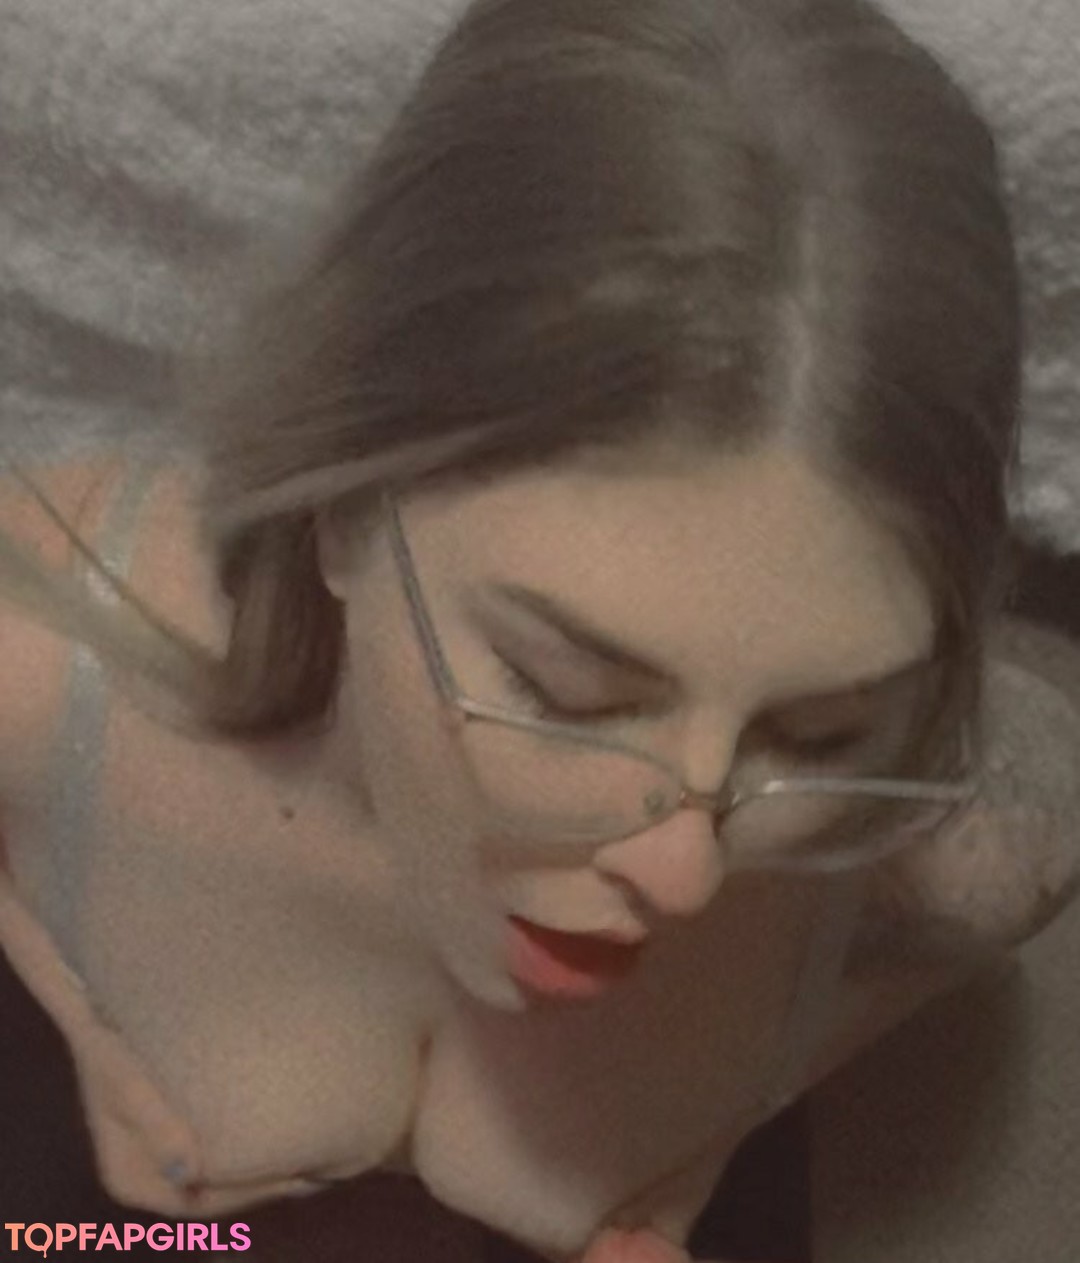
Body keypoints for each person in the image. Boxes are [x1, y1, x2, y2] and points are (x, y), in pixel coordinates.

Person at [0, 0, 1073, 1260]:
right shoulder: (42, 653)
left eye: (821, 730)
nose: (686, 878)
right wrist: (74, 1008)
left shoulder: (957, 851)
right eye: (565, 689)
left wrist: (722, 1124)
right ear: (342, 510)